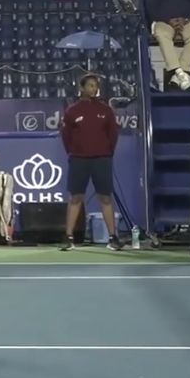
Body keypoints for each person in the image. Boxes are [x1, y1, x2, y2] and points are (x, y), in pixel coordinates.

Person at [59, 74, 124, 251]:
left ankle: (113, 238)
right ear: (82, 88)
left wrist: (107, 153)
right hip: (79, 159)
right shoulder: (72, 111)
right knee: (75, 197)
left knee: (105, 197)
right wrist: (74, 153)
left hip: (102, 159)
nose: (94, 89)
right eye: (90, 86)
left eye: (95, 86)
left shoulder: (106, 110)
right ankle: (68, 237)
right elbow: (66, 137)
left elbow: (113, 134)